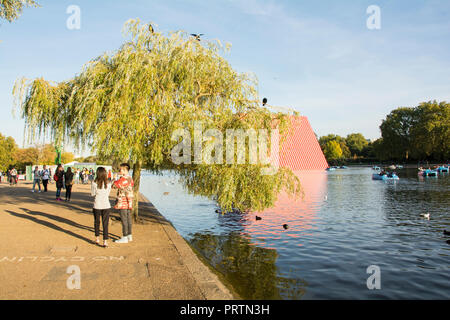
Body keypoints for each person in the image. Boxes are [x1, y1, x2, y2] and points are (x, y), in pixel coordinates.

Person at [113, 163, 134, 244]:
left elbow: (114, 185)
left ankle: (124, 237)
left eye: (120, 169)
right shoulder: (130, 178)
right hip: (129, 201)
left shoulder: (123, 179)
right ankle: (129, 235)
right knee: (128, 219)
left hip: (123, 201)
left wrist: (114, 178)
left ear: (125, 170)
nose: (119, 171)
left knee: (124, 219)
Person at [91, 167, 112, 248]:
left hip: (97, 204)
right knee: (105, 223)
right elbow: (108, 193)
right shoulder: (108, 183)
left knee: (97, 222)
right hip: (106, 204)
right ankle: (105, 241)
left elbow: (92, 193)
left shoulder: (94, 183)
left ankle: (97, 238)